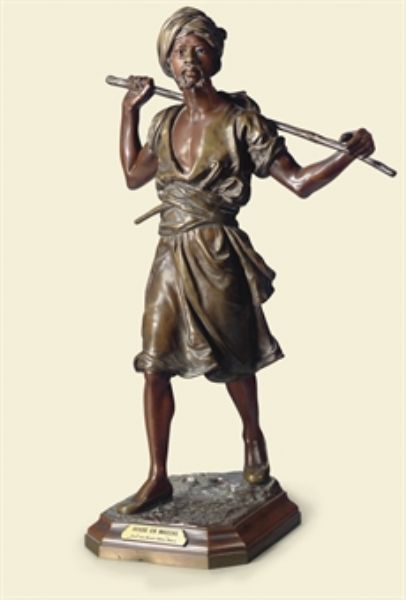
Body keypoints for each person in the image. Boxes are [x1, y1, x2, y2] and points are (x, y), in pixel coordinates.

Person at [117, 7, 375, 514]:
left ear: (216, 56)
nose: (189, 59)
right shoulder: (163, 121)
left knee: (235, 357)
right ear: (167, 62)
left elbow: (298, 182)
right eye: (179, 51)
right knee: (154, 363)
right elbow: (132, 176)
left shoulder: (241, 121)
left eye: (199, 49)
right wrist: (129, 111)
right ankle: (157, 476)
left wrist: (347, 154)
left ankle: (253, 438)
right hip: (169, 253)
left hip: (217, 253)